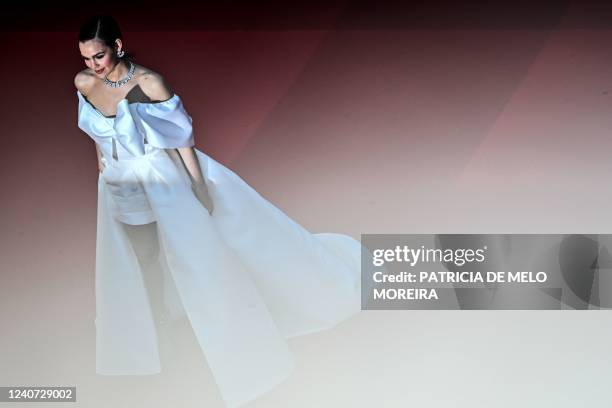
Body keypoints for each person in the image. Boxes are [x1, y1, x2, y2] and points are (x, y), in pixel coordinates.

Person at [75, 15, 361, 407]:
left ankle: (234, 336)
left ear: (119, 46)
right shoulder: (84, 83)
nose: (94, 65)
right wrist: (102, 167)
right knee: (139, 257)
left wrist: (198, 186)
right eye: (87, 58)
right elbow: (96, 131)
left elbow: (181, 140)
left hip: (164, 179)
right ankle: (158, 328)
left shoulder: (148, 82)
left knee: (198, 259)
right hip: (119, 186)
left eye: (100, 55)